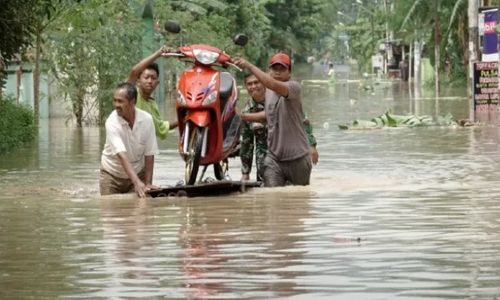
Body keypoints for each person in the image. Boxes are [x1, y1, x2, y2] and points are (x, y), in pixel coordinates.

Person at [234, 53, 312, 187]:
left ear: (289, 73)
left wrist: (249, 66)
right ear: (270, 70)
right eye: (274, 69)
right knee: (272, 197)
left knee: (298, 203)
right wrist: (241, 116)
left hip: (298, 159)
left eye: (282, 69)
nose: (278, 72)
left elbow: (271, 83)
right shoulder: (268, 92)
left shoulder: (293, 88)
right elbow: (268, 115)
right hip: (274, 158)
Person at [100, 82, 159, 197]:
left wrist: (148, 183)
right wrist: (137, 182)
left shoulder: (147, 120)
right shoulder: (111, 122)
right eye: (115, 100)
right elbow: (122, 155)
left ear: (133, 102)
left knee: (141, 210)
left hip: (137, 172)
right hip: (111, 175)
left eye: (120, 101)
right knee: (109, 212)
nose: (116, 105)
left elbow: (150, 154)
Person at [127, 46, 178, 140]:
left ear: (157, 83)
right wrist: (158, 54)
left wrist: (184, 118)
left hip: (141, 148)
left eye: (153, 78)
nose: (150, 81)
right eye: (146, 77)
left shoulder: (152, 105)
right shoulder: (131, 96)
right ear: (138, 80)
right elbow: (134, 72)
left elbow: (160, 128)